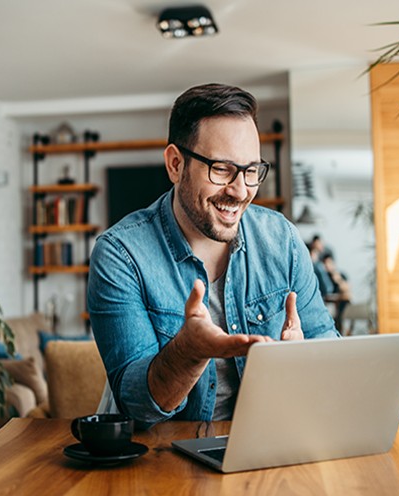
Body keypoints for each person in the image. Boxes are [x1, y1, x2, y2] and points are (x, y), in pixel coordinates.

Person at [87, 83, 339, 428]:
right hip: (161, 459)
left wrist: (305, 359)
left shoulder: (282, 239)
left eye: (251, 171)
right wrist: (188, 354)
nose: (240, 191)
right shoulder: (120, 255)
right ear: (176, 165)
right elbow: (136, 407)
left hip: (266, 443)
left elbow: (327, 347)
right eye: (221, 169)